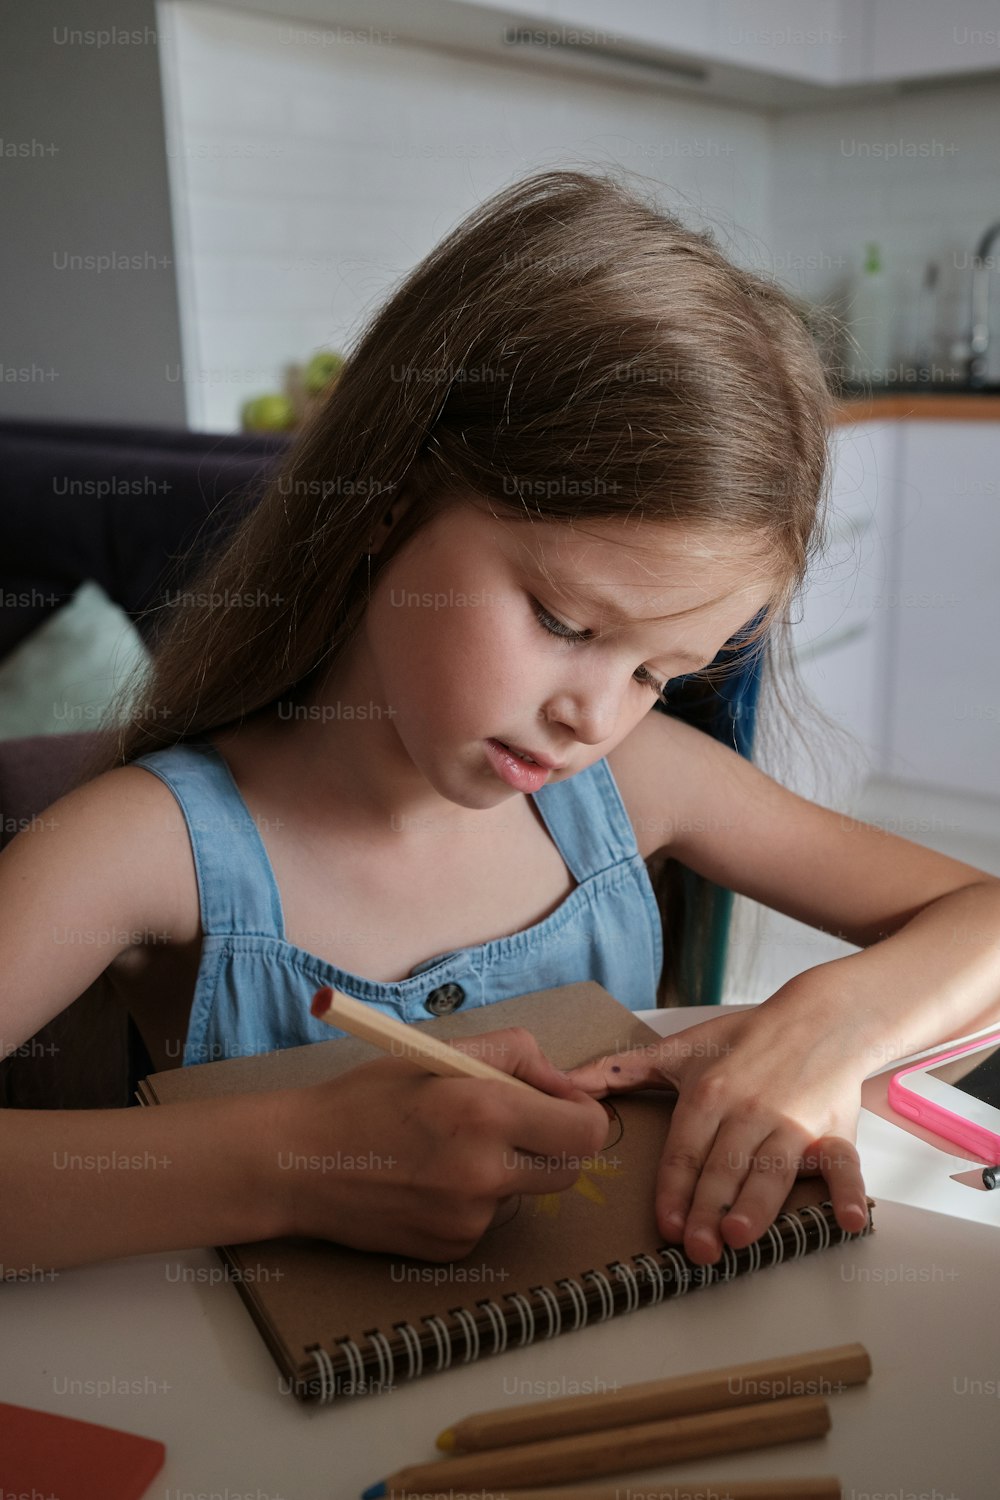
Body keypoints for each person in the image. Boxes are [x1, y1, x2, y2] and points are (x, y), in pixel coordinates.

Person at [3, 168, 999, 1275]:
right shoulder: (147, 850)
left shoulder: (640, 786)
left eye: (661, 674)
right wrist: (285, 1159)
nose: (592, 717)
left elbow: (984, 918)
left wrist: (829, 1023)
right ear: (388, 502)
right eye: (565, 622)